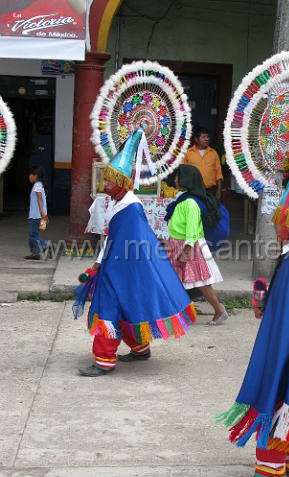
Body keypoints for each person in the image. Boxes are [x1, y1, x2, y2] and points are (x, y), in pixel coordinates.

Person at [217, 145, 289, 477]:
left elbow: (284, 322)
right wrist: (268, 297)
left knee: (279, 392)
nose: (277, 224)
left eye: (281, 219)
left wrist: (271, 353)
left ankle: (269, 471)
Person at [78, 129, 196, 377]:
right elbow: (112, 239)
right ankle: (140, 348)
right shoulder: (117, 202)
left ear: (121, 182)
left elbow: (128, 246)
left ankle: (104, 360)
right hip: (117, 266)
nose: (105, 184)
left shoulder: (130, 207)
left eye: (109, 180)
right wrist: (99, 263)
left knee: (108, 308)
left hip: (122, 269)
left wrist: (107, 269)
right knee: (126, 307)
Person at [165, 164, 228, 326]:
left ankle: (219, 311)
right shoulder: (184, 198)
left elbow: (192, 230)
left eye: (178, 176)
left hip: (190, 247)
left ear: (187, 179)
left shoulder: (191, 203)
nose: (175, 179)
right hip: (177, 244)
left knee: (201, 283)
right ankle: (179, 312)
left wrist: (186, 251)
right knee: (179, 280)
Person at [183, 127, 223, 199]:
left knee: (210, 210)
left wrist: (219, 191)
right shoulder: (188, 153)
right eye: (203, 137)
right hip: (193, 192)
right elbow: (183, 172)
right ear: (196, 139)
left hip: (211, 191)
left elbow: (219, 174)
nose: (207, 139)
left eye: (207, 136)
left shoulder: (213, 153)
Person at [25, 166, 49, 260]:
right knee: (33, 234)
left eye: (31, 174)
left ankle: (45, 245)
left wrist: (42, 213)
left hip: (37, 215)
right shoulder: (40, 184)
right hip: (38, 215)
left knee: (33, 235)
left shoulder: (37, 185)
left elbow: (39, 199)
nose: (29, 176)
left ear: (36, 176)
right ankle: (35, 253)